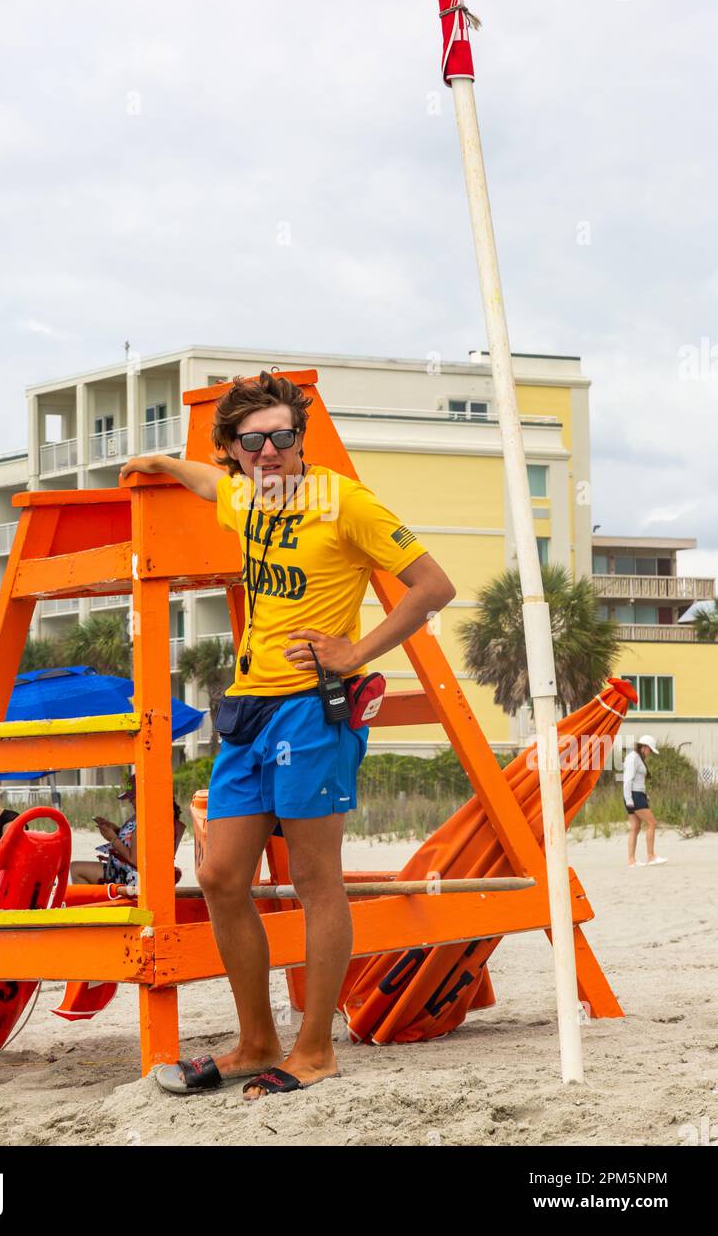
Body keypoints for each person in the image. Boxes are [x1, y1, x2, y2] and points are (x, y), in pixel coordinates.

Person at [121, 370, 456, 1100]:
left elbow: (434, 586)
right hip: (248, 706)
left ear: (300, 440)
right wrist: (158, 464)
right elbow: (208, 483)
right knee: (219, 877)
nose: (269, 452)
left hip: (313, 707)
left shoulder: (345, 503)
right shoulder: (241, 494)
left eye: (283, 437)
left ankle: (314, 1050)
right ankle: (256, 1040)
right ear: (235, 450)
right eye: (253, 441)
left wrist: (357, 652)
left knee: (313, 881)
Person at [71, 786, 138, 892]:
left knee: (75, 869)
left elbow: (135, 861)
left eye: (133, 797)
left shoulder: (146, 820)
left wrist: (113, 839)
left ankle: (94, 905)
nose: (129, 801)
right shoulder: (141, 815)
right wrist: (114, 828)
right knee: (75, 867)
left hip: (130, 876)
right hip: (123, 869)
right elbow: (132, 840)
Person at [623, 735, 667, 867]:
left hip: (637, 795)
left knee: (635, 827)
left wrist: (644, 794)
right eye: (650, 750)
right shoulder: (633, 758)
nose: (651, 753)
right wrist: (629, 799)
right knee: (652, 823)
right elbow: (627, 780)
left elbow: (638, 780)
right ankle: (651, 856)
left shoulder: (638, 758)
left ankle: (632, 861)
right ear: (644, 747)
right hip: (633, 796)